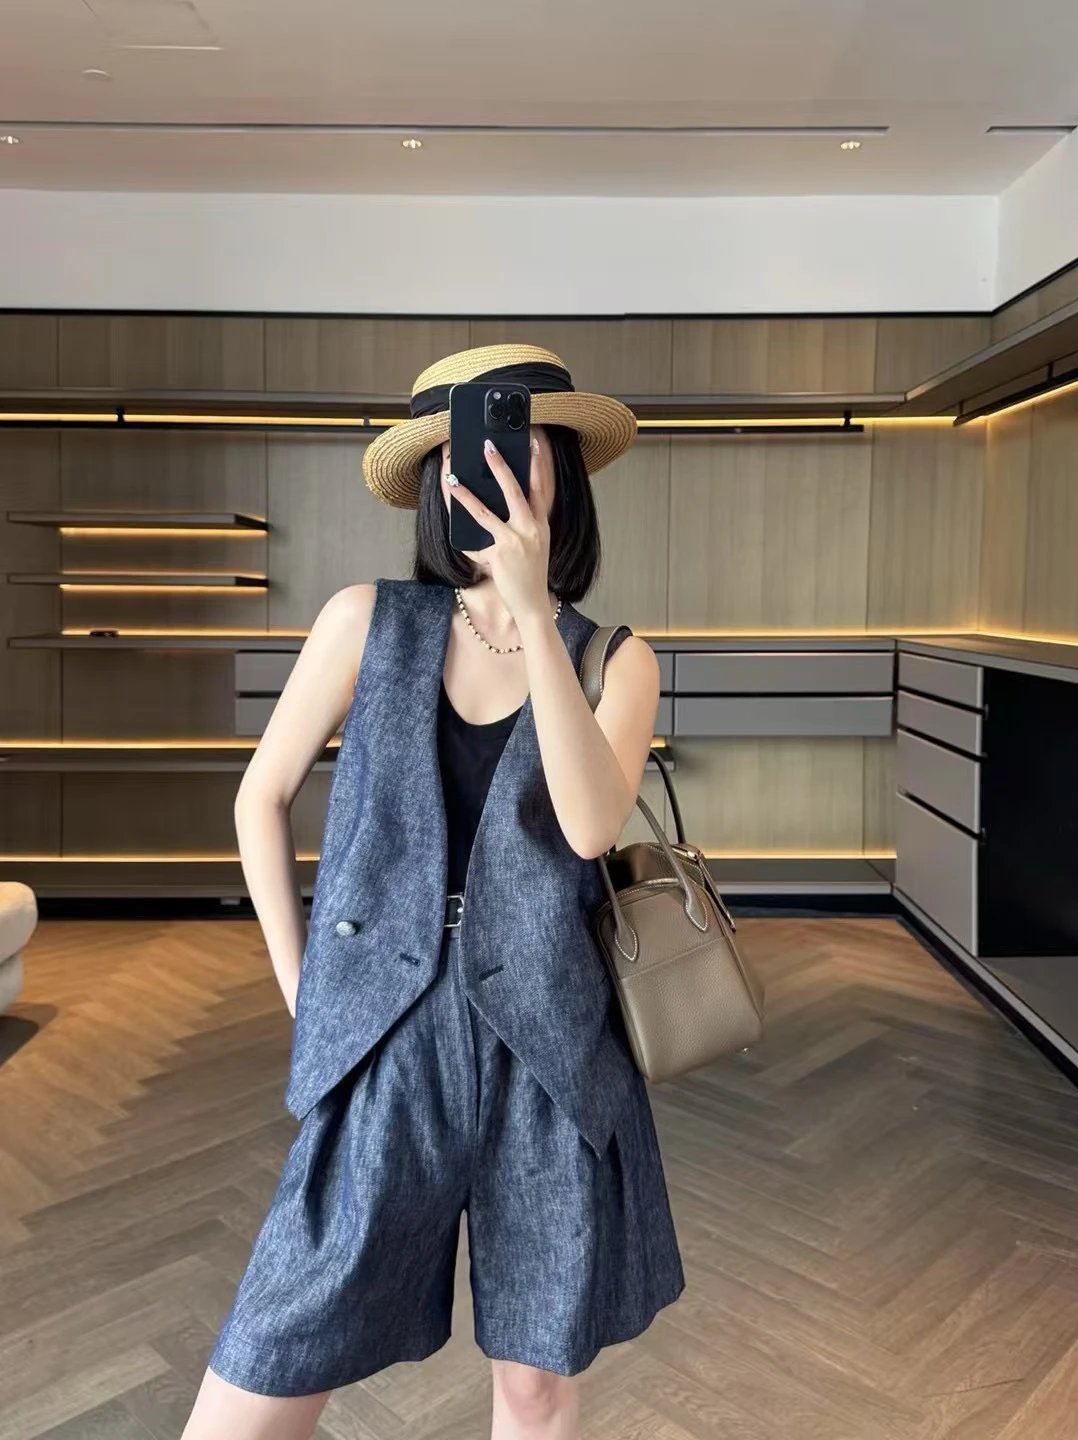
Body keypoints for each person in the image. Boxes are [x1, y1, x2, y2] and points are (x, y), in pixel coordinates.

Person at [180, 344, 685, 1440]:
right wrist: (307, 995)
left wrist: (535, 614)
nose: (489, 472)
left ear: (563, 471)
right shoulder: (367, 620)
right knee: (279, 1347)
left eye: (518, 447)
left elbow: (589, 827)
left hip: (551, 1043)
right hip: (384, 1032)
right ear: (432, 482)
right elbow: (260, 797)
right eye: (464, 455)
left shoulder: (616, 660)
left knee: (535, 1380)